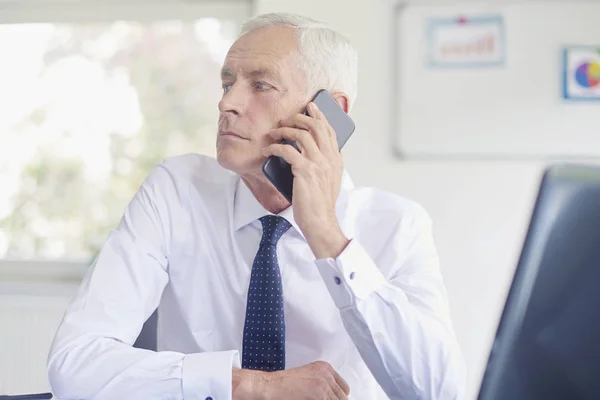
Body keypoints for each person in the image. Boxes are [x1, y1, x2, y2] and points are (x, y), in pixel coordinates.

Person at [47, 12, 466, 400]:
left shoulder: (397, 225)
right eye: (228, 83)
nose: (227, 103)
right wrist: (252, 385)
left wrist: (326, 234)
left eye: (260, 85)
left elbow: (438, 390)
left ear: (327, 113)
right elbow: (74, 364)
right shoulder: (177, 191)